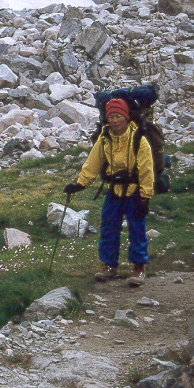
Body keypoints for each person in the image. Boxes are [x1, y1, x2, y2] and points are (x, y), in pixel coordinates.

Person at [64, 98, 154, 287]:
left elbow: (146, 170)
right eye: (111, 116)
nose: (114, 120)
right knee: (108, 227)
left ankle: (138, 269)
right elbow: (93, 163)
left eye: (118, 116)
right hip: (114, 190)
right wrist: (80, 184)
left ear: (126, 117)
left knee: (137, 229)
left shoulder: (139, 140)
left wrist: (145, 197)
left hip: (134, 191)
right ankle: (109, 267)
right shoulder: (105, 138)